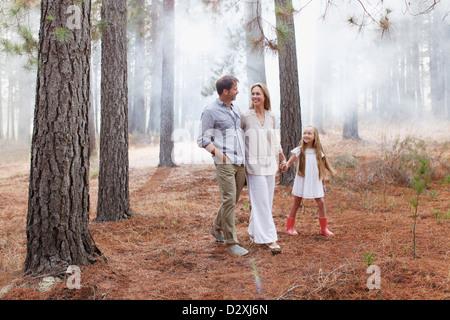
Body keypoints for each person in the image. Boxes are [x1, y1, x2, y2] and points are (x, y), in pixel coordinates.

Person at [197, 75, 248, 256]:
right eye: (235, 89)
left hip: (240, 162)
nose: (238, 91)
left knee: (232, 201)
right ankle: (231, 242)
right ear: (225, 91)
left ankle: (216, 228)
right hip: (225, 162)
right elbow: (203, 140)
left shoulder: (236, 107)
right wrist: (221, 156)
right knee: (228, 201)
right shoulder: (210, 111)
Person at [241, 83, 286, 254]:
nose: (255, 97)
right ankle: (270, 239)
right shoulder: (245, 116)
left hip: (270, 165)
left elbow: (274, 141)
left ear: (265, 96)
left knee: (266, 202)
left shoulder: (272, 116)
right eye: (253, 94)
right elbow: (238, 139)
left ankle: (253, 231)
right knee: (261, 203)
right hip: (253, 166)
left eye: (258, 94)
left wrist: (283, 159)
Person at [281, 125, 336, 237]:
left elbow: (321, 169)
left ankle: (324, 228)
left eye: (309, 133)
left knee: (321, 202)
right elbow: (288, 164)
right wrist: (285, 165)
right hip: (302, 179)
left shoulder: (319, 152)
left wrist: (323, 185)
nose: (306, 135)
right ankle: (290, 227)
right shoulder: (299, 150)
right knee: (296, 203)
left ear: (315, 136)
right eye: (305, 133)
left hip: (315, 181)